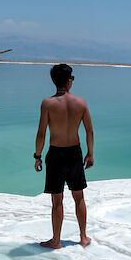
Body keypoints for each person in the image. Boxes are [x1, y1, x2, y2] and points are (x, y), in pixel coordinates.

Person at [34, 63, 94, 249]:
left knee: (57, 200)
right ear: (69, 81)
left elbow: (41, 133)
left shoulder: (48, 104)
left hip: (56, 155)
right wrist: (90, 153)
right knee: (79, 197)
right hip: (75, 153)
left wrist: (37, 155)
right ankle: (83, 237)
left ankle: (56, 240)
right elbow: (89, 131)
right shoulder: (81, 103)